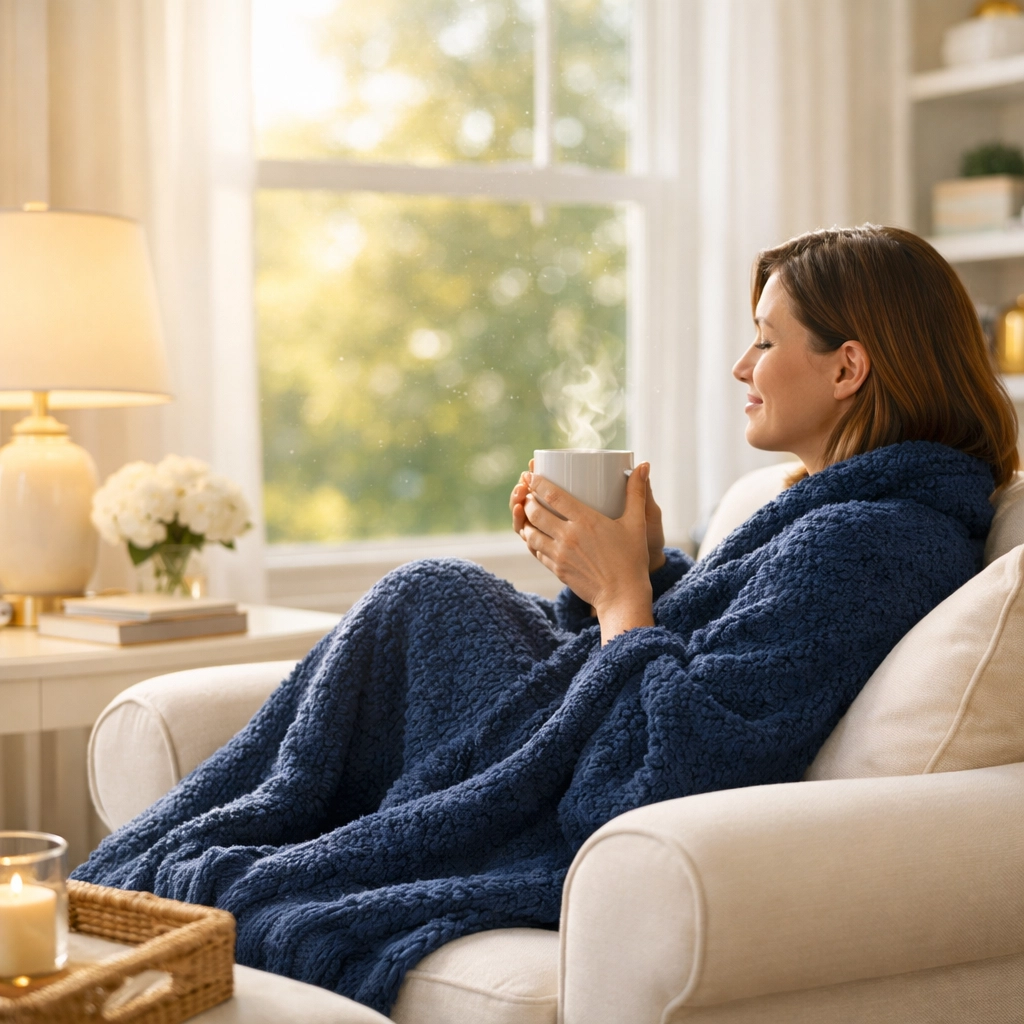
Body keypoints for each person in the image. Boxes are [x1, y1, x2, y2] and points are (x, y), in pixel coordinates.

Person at [74, 225, 1019, 1016]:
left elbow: (670, 773)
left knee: (430, 592)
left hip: (591, 806)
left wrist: (621, 596)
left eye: (766, 340)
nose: (743, 364)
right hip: (599, 738)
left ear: (849, 365)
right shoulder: (820, 508)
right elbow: (707, 650)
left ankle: (123, 886)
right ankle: (141, 875)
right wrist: (640, 569)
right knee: (433, 595)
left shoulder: (875, 539)